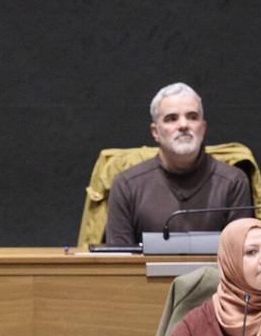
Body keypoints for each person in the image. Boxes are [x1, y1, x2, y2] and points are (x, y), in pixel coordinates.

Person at [102, 82, 253, 247]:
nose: (183, 125)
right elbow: (119, 264)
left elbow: (240, 258)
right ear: (155, 132)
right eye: (171, 118)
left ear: (203, 128)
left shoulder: (233, 182)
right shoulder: (126, 185)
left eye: (192, 117)